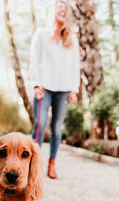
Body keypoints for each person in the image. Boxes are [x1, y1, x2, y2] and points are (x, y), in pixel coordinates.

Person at [29, 0, 80, 179]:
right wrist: (36, 84)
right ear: (52, 11)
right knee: (39, 125)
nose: (62, 10)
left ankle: (51, 163)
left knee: (57, 128)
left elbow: (76, 66)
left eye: (65, 9)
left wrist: (74, 89)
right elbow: (35, 59)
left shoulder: (72, 39)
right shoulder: (41, 34)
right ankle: (32, 165)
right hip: (44, 86)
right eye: (59, 7)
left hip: (64, 88)